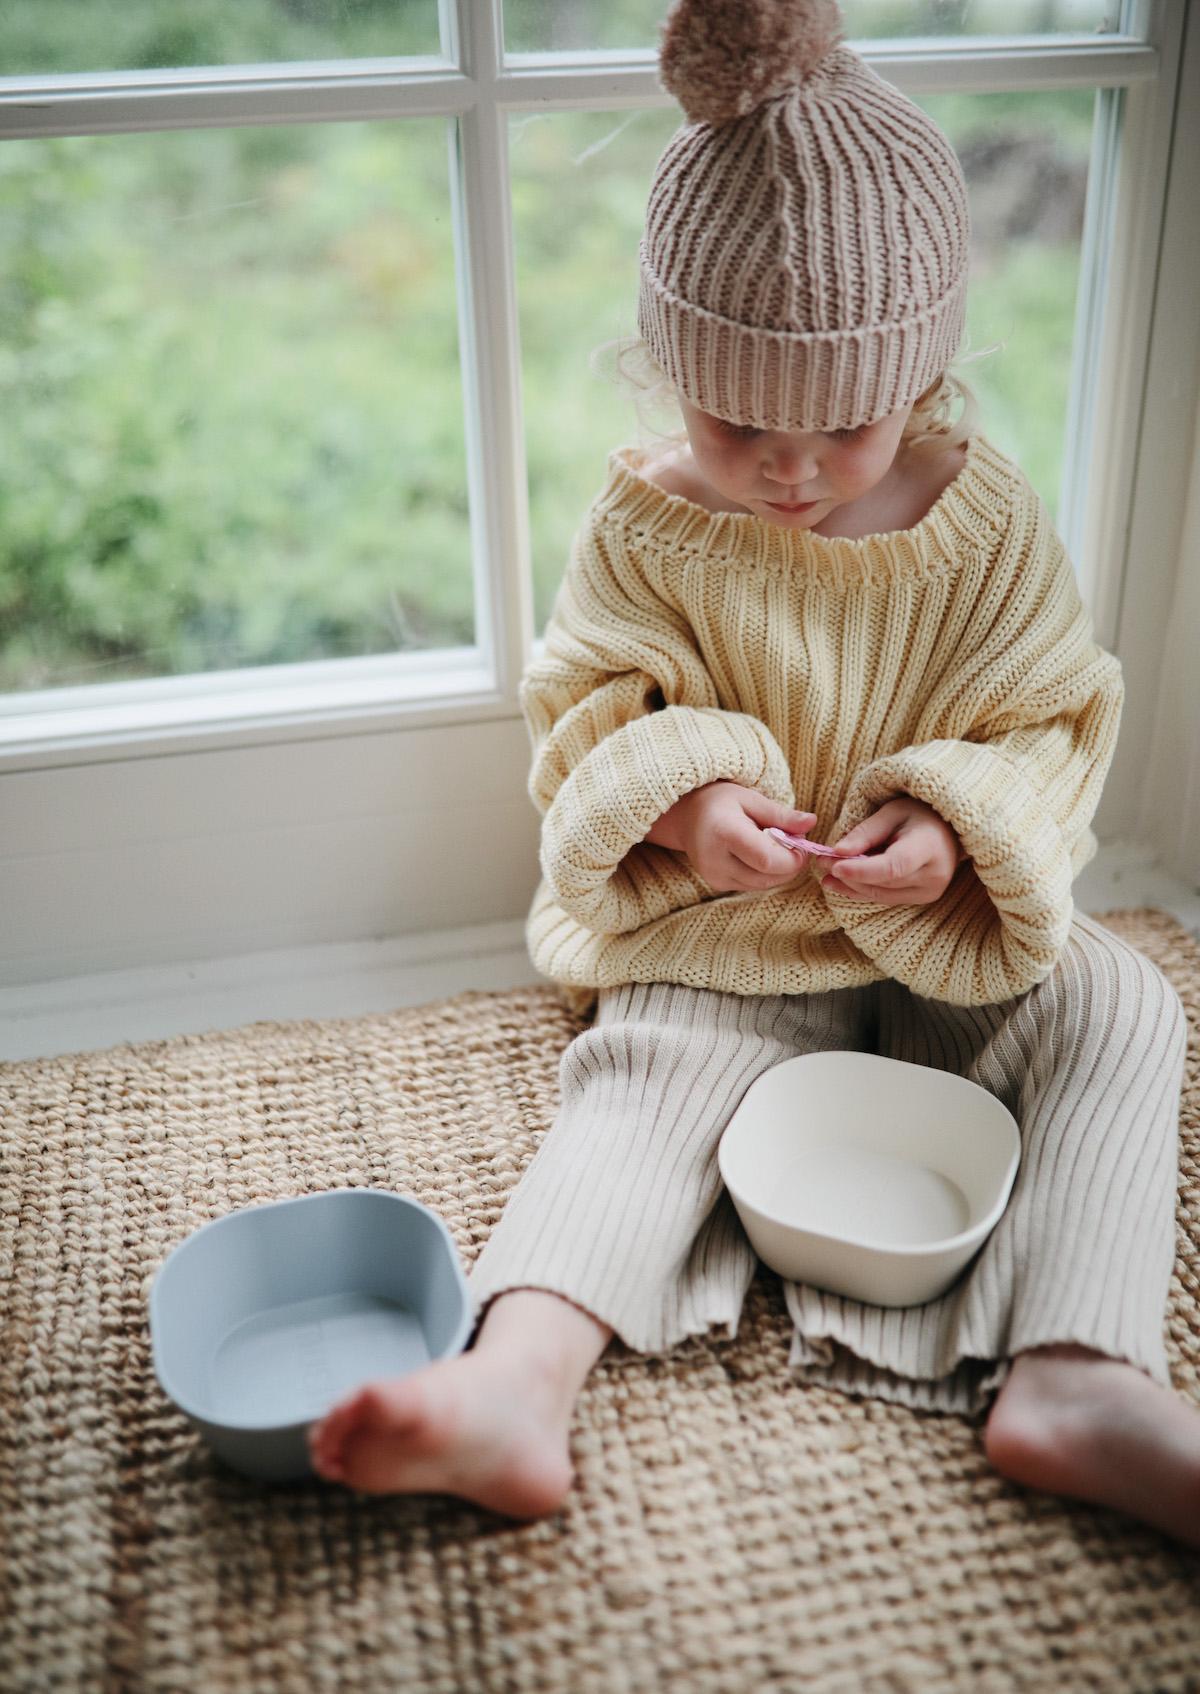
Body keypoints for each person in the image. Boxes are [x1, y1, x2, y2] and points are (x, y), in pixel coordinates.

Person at [309, 0, 1197, 1544]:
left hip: (945, 932)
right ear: (668, 367)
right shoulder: (650, 527)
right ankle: (517, 1380)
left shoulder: (978, 524)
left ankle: (1080, 1372)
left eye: (843, 428)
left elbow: (1056, 710)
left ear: (920, 377)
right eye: (736, 421)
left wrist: (954, 819)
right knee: (638, 1081)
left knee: (1126, 1005)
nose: (790, 469)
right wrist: (681, 796)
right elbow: (583, 701)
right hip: (737, 939)